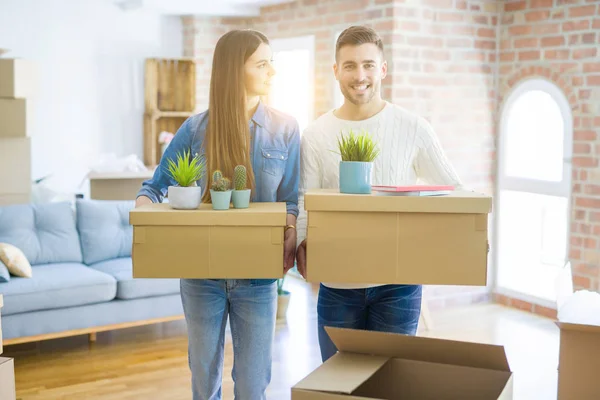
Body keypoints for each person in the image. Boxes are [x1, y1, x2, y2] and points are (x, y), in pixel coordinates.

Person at [136, 29, 300, 400]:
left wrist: (290, 229)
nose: (271, 71)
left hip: (258, 278)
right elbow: (154, 186)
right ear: (233, 70)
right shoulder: (195, 129)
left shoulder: (286, 128)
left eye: (271, 62)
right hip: (200, 276)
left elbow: (291, 199)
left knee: (253, 384)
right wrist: (144, 216)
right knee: (204, 380)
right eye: (262, 63)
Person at [295, 25, 466, 362]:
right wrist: (301, 241)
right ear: (335, 71)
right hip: (337, 285)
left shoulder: (413, 127)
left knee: (391, 384)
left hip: (399, 287)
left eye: (368, 65)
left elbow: (454, 191)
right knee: (339, 385)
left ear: (383, 69)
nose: (360, 75)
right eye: (350, 66)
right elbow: (305, 200)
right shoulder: (316, 134)